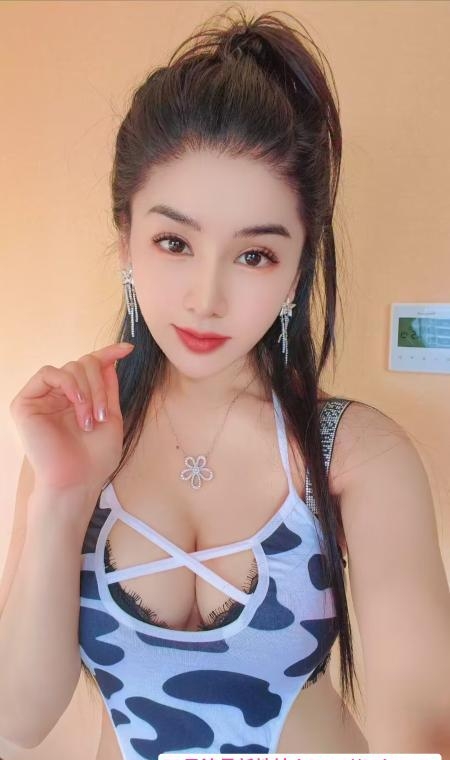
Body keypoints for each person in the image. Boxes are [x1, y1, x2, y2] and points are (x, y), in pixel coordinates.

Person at [1, 5, 450, 759]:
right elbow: (18, 717)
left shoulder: (354, 455)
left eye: (253, 255)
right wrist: (63, 495)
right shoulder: (75, 436)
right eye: (174, 242)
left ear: (298, 267)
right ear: (127, 241)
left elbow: (426, 721)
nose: (205, 299)